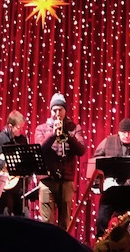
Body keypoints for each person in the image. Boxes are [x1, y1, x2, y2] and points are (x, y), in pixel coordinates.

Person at [34, 92, 87, 230]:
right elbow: (39, 149)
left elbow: (81, 150)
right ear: (50, 110)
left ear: (65, 111)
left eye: (60, 109)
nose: (57, 113)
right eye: (54, 110)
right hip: (47, 180)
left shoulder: (74, 128)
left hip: (66, 180)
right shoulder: (41, 128)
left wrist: (68, 135)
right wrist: (53, 135)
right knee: (47, 224)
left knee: (65, 223)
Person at [90, 117, 130, 238]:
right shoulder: (108, 141)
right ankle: (100, 244)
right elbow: (95, 160)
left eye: (129, 132)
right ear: (119, 132)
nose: (126, 135)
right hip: (110, 190)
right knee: (101, 220)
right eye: (124, 132)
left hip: (129, 193)